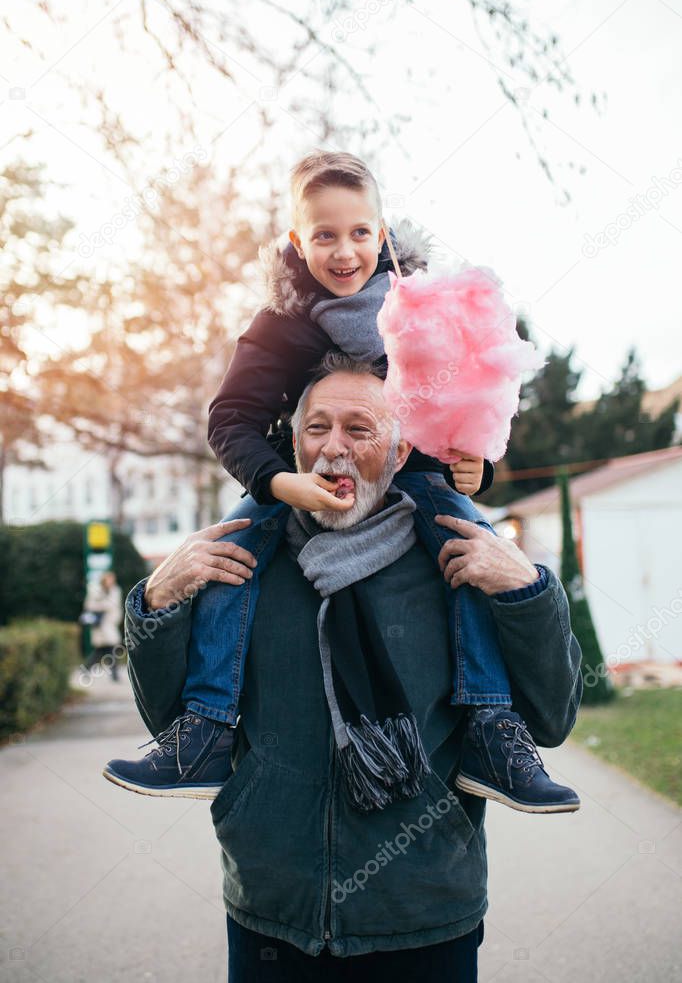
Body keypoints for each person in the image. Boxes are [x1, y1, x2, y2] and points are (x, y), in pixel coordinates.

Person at [103, 150, 578, 813]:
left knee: (474, 548)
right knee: (231, 551)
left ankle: (491, 728)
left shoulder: (418, 309)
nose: (344, 250)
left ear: (382, 232)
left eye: (359, 232)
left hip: (416, 472)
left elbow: (463, 405)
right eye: (324, 234)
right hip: (292, 478)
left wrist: (477, 464)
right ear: (298, 241)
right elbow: (230, 419)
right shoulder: (280, 324)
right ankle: (207, 727)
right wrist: (277, 484)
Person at [109, 359, 582, 981]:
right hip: (272, 915)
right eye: (317, 428)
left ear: (400, 447)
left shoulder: (460, 559)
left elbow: (551, 719)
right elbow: (169, 718)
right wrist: (155, 602)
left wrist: (526, 591)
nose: (333, 448)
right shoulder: (242, 563)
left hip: (426, 914)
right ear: (292, 444)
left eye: (359, 429)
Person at [82, 571, 123, 681]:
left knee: (110, 649)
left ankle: (113, 674)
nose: (111, 582)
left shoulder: (115, 590)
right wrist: (103, 605)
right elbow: (89, 605)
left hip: (110, 624)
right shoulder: (96, 591)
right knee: (102, 650)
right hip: (99, 626)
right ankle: (87, 668)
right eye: (109, 579)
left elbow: (114, 606)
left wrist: (102, 605)